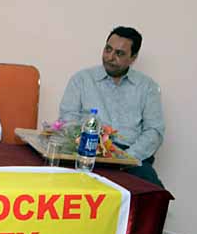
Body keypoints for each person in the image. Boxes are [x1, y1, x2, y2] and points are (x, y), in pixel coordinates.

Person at [59, 26, 165, 186]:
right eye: (108, 49)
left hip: (130, 158)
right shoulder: (81, 80)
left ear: (133, 57)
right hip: (88, 154)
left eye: (119, 53)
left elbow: (154, 131)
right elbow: (68, 120)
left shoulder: (147, 87)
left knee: (155, 193)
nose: (110, 57)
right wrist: (90, 147)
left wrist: (124, 158)